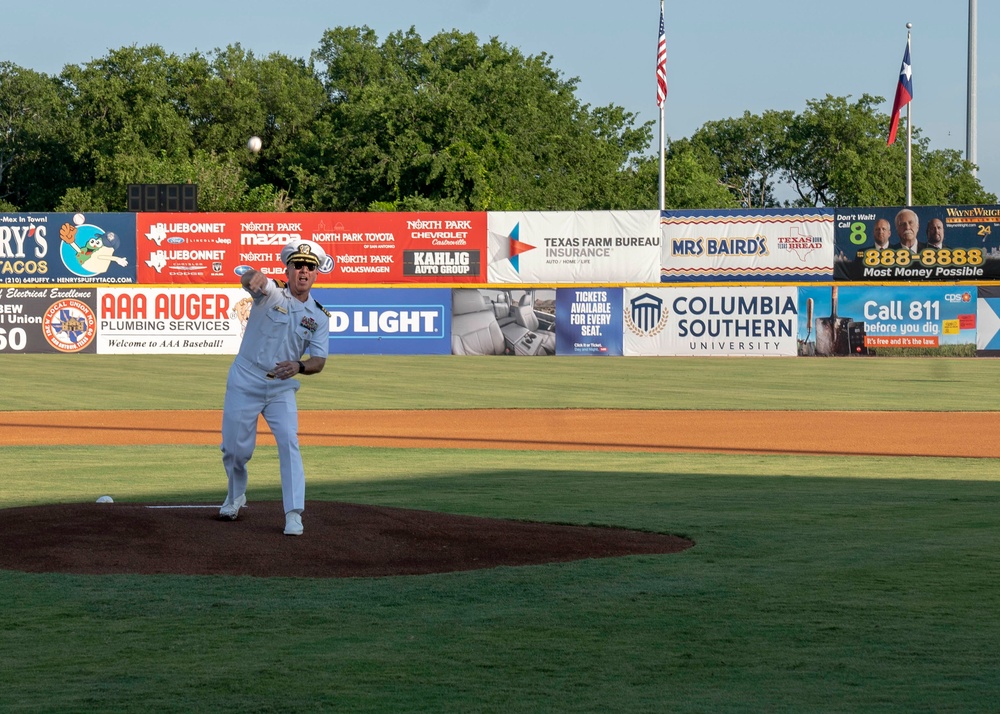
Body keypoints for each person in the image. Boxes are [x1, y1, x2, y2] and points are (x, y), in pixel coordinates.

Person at [219, 239, 331, 536]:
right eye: (298, 266)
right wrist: (250, 277)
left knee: (289, 442)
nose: (303, 271)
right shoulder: (271, 294)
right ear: (288, 269)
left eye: (309, 267)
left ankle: (294, 513)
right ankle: (235, 495)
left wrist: (300, 366)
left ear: (316, 274)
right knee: (234, 452)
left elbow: (318, 360)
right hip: (245, 379)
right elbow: (250, 281)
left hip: (281, 387)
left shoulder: (319, 316)